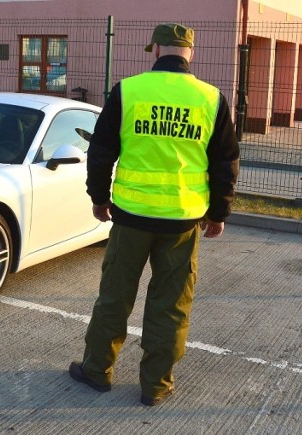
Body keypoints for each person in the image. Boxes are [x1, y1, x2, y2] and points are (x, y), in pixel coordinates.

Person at [69, 23, 240, 406]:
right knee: (171, 304)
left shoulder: (128, 91)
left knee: (114, 297)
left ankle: (97, 371)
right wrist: (218, 213)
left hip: (130, 216)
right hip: (183, 221)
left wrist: (99, 198)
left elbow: (101, 152)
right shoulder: (212, 99)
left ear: (157, 49)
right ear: (189, 53)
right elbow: (225, 162)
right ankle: (156, 386)